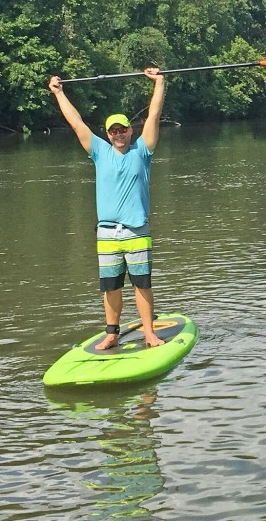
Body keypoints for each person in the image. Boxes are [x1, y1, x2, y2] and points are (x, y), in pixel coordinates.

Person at [48, 68, 167, 350]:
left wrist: (160, 82)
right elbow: (76, 123)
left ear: (130, 130)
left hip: (137, 231)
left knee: (142, 284)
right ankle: (112, 334)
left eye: (122, 130)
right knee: (110, 287)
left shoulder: (143, 150)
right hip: (107, 234)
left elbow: (154, 115)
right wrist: (58, 92)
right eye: (113, 131)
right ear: (107, 133)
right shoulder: (99, 151)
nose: (118, 134)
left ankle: (149, 333)